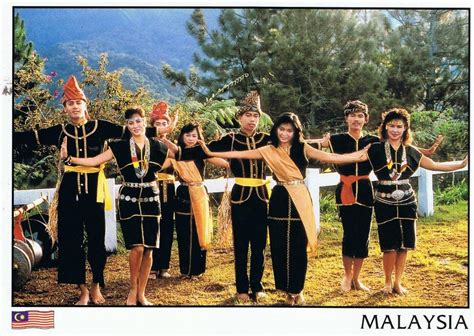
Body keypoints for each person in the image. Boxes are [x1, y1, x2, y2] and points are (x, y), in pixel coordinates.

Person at [13, 75, 175, 305]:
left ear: (85, 105)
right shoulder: (59, 131)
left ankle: (97, 285)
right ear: (65, 108)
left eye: (78, 103)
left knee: (97, 240)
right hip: (69, 190)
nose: (75, 107)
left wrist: (161, 130)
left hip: (94, 191)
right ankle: (82, 291)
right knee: (71, 240)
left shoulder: (101, 127)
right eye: (70, 103)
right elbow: (27, 137)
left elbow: (135, 130)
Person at [200, 112, 369, 305]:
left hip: (299, 198)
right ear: (276, 130)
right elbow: (238, 154)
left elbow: (330, 156)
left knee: (298, 245)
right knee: (279, 246)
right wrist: (210, 151)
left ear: (295, 131)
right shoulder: (269, 149)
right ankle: (287, 291)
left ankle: (298, 289)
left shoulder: (303, 148)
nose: (285, 133)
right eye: (281, 129)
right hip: (279, 198)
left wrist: (357, 156)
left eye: (289, 130)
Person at [310, 100, 444, 293]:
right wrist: (320, 143)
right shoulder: (335, 139)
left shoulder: (373, 141)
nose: (356, 119)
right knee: (349, 233)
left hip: (365, 189)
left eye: (360, 115)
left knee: (363, 233)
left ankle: (357, 278)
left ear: (366, 119)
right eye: (352, 115)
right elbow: (312, 146)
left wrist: (428, 151)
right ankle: (347, 276)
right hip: (345, 188)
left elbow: (401, 147)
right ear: (346, 117)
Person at [60, 107, 173, 305]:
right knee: (137, 248)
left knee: (149, 250)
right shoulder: (118, 146)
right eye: (131, 123)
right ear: (127, 126)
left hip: (151, 198)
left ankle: (142, 294)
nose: (135, 126)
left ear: (145, 121)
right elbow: (95, 161)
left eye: (139, 121)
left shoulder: (159, 147)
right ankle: (132, 290)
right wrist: (69, 159)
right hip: (129, 198)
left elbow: (176, 158)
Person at [363, 108, 467, 295]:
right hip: (383, 201)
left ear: (405, 129)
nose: (395, 130)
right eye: (392, 125)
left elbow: (434, 165)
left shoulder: (411, 151)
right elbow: (354, 158)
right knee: (389, 245)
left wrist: (461, 164)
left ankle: (398, 283)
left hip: (407, 201)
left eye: (399, 126)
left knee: (404, 244)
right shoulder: (375, 149)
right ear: (385, 127)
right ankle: (387, 282)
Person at [207, 90, 270, 304]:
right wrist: (226, 163)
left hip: (262, 196)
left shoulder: (267, 139)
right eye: (248, 116)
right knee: (241, 244)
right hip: (240, 196)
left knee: (260, 244)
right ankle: (242, 288)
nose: (252, 120)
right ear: (239, 118)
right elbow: (206, 152)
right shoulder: (231, 140)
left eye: (256, 116)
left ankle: (258, 286)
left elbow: (293, 146)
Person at [171, 122, 229, 278]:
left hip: (199, 192)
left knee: (199, 230)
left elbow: (221, 162)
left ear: (199, 138)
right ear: (182, 136)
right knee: (184, 231)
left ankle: (198, 270)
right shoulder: (176, 153)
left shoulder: (201, 152)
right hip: (183, 192)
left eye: (194, 135)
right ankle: (185, 270)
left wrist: (233, 163)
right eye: (188, 135)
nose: (191, 138)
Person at [149, 101, 176, 279]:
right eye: (157, 124)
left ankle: (164, 266)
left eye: (164, 123)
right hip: (152, 186)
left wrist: (165, 140)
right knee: (153, 225)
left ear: (169, 126)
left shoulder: (172, 144)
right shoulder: (147, 143)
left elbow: (177, 155)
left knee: (167, 225)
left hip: (169, 187)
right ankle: (151, 267)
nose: (161, 127)